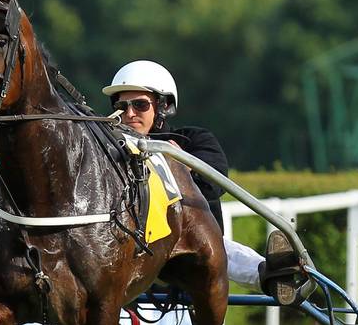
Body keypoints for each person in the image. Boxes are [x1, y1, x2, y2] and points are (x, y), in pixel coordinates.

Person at [102, 60, 309, 304]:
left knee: (216, 248)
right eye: (122, 106)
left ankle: (274, 275)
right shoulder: (105, 150)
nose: (129, 114)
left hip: (189, 249)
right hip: (129, 248)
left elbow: (216, 184)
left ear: (163, 106)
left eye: (140, 105)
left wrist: (182, 164)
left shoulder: (194, 141)